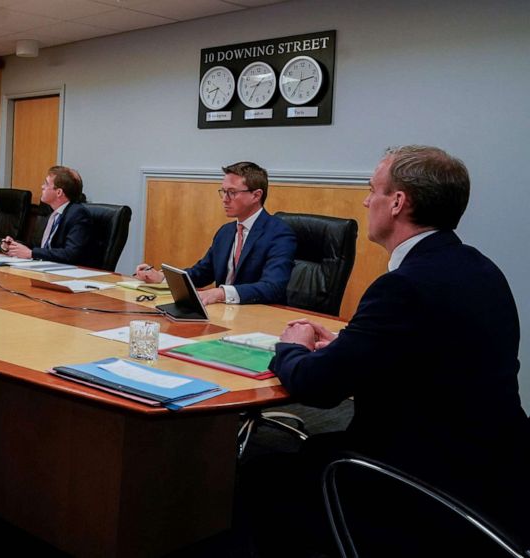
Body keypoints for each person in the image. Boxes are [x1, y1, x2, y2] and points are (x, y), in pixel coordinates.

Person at [245, 146, 530, 556]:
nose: (365, 200)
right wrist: (348, 345)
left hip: (422, 477)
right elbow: (430, 354)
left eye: (372, 189)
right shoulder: (480, 268)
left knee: (263, 476)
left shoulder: (403, 287)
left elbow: (320, 388)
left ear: (397, 202)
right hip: (494, 468)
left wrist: (289, 347)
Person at [134, 161, 295, 305]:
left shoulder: (278, 233)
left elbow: (273, 287)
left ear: (256, 195)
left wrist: (220, 293)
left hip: (259, 317)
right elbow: (202, 273)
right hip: (224, 315)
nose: (224, 199)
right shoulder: (226, 232)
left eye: (232, 192)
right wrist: (162, 278)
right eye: (223, 192)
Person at [1, 165, 92, 265]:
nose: (42, 186)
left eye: (46, 184)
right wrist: (15, 246)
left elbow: (70, 254)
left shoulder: (77, 214)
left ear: (59, 192)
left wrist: (31, 253)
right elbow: (40, 247)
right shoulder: (52, 214)